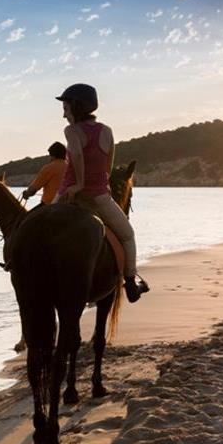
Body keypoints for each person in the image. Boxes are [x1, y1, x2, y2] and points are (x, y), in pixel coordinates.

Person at [54, 84, 149, 303]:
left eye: (66, 107)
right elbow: (108, 164)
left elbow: (76, 154)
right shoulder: (107, 131)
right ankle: (130, 283)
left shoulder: (72, 131)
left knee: (36, 222)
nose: (63, 113)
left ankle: (19, 265)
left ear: (76, 106)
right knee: (127, 235)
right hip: (99, 198)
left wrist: (78, 184)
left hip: (69, 196)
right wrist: (99, 183)